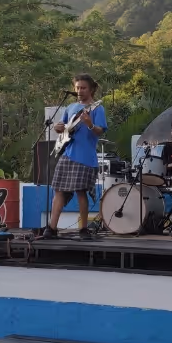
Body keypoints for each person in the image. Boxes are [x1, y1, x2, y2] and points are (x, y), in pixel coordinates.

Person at [43, 74, 107, 240]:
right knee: (58, 189)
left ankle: (83, 229)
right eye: (77, 87)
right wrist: (58, 127)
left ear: (91, 89)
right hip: (68, 153)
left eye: (83, 88)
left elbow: (100, 130)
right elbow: (63, 128)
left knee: (80, 192)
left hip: (85, 156)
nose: (79, 91)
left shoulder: (97, 108)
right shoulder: (70, 107)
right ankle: (52, 228)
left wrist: (90, 124)